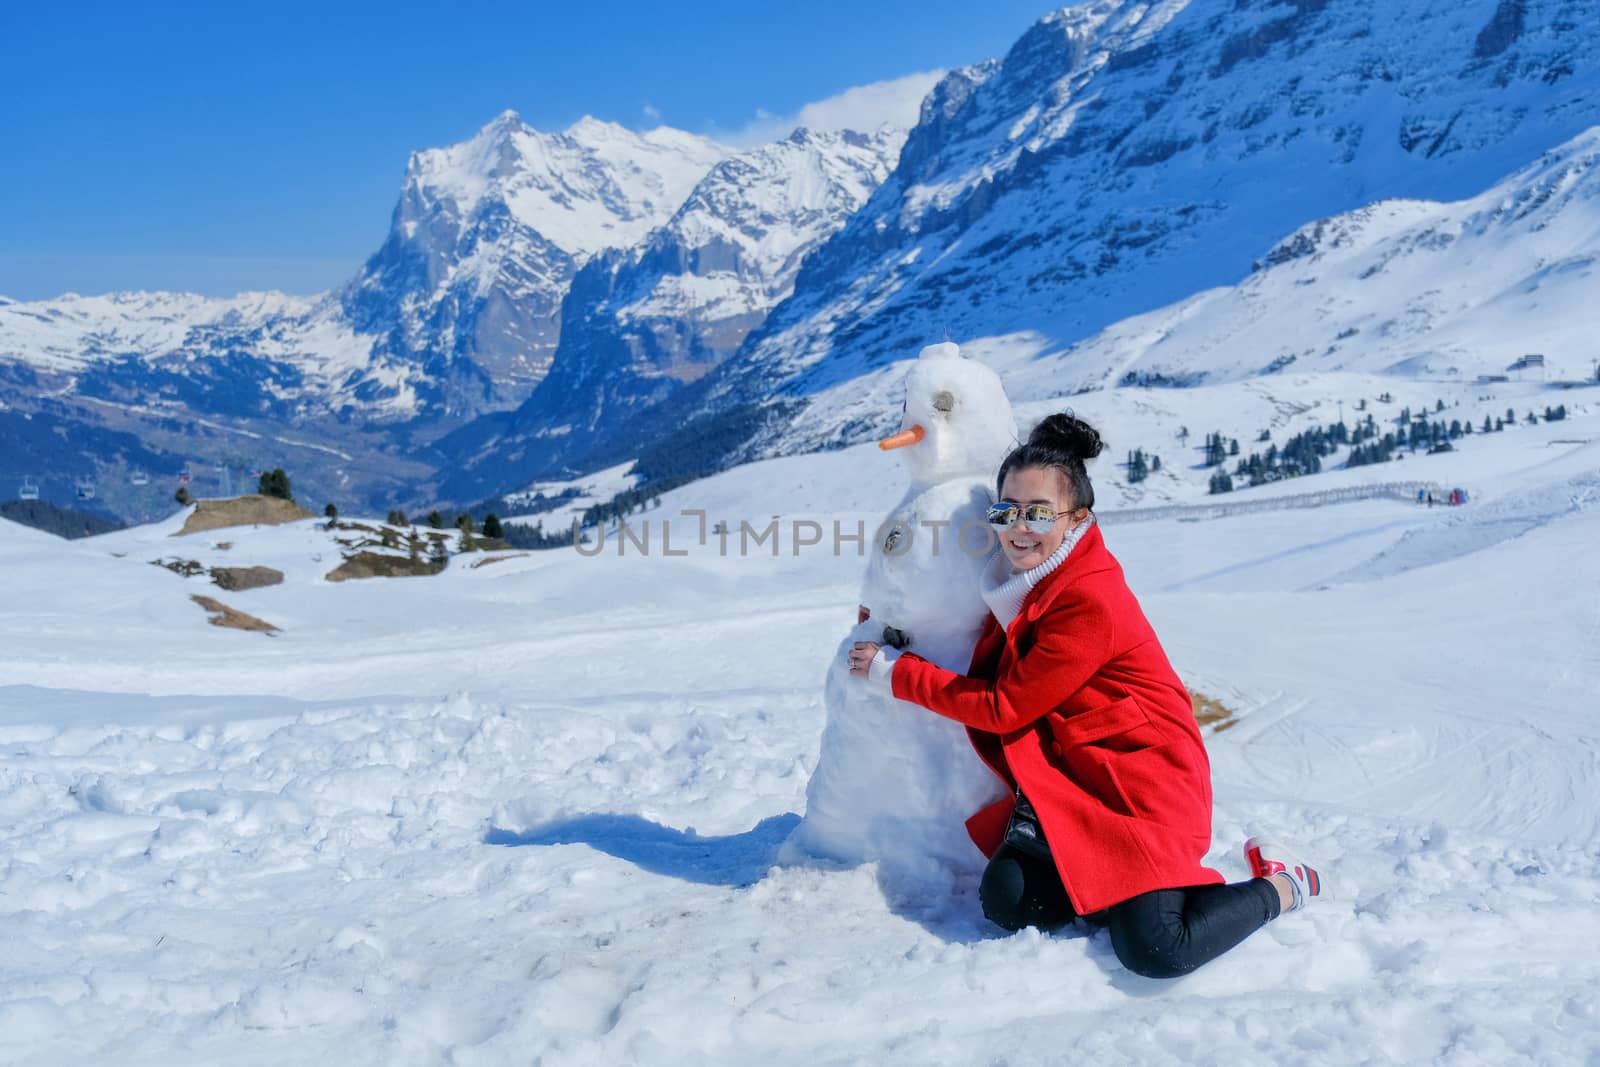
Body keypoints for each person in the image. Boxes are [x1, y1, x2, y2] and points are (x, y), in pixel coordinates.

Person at [844, 412, 1324, 979]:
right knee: (1010, 903)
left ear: (1077, 518)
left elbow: (1006, 707)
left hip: (1140, 783)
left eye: (1039, 513)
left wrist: (896, 674)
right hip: (1074, 775)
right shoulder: (1021, 578)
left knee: (1155, 950)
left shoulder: (1088, 598)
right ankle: (1094, 870)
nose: (1019, 526)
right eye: (1006, 511)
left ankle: (1283, 884)